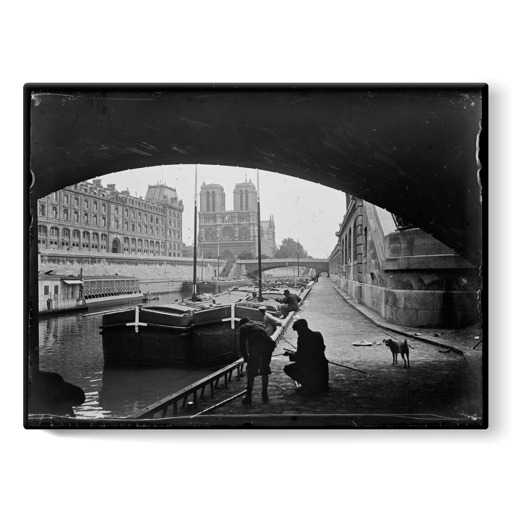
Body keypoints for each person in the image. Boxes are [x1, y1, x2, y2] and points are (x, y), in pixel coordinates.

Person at [284, 319, 329, 394]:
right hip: (322, 365)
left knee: (288, 368)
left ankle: (307, 385)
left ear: (302, 328)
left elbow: (301, 357)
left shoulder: (302, 339)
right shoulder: (318, 335)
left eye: (298, 331)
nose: (298, 333)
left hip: (311, 367)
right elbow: (321, 348)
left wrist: (290, 354)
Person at [239, 317, 276, 405]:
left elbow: (242, 345)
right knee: (265, 370)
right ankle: (264, 394)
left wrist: (246, 359)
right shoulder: (258, 324)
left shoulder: (243, 328)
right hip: (270, 345)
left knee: (250, 372)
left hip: (258, 347)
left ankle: (248, 397)